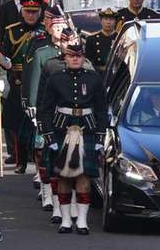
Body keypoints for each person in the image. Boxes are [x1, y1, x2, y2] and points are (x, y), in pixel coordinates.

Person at [38, 42, 108, 235]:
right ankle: (66, 219)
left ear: (84, 58)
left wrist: (101, 137)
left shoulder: (94, 79)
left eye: (78, 56)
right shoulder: (55, 79)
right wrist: (49, 136)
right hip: (62, 130)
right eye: (71, 56)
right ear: (65, 58)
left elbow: (102, 110)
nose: (75, 59)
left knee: (84, 176)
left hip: (88, 130)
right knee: (63, 176)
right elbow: (44, 110)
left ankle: (83, 221)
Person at [0, 0, 45, 172]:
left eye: (35, 12)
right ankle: (21, 161)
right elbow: (4, 56)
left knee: (38, 125)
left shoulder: (44, 31)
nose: (31, 16)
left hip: (39, 80)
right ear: (22, 12)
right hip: (18, 81)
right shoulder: (12, 31)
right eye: (28, 12)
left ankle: (38, 157)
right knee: (17, 123)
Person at [84, 8, 118, 74]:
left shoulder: (121, 38)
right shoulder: (91, 39)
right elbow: (88, 62)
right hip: (97, 75)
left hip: (117, 76)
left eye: (111, 19)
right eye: (105, 19)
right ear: (101, 21)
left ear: (115, 21)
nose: (108, 22)